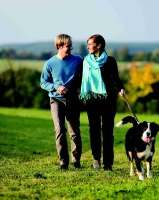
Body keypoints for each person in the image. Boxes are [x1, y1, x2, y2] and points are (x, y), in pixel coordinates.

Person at [80, 34, 125, 171]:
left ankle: (108, 163)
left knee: (107, 131)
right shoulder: (86, 61)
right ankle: (96, 159)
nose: (88, 46)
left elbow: (115, 78)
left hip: (108, 100)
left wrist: (121, 88)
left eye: (90, 44)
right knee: (94, 130)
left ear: (98, 45)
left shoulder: (110, 61)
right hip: (92, 99)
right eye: (87, 44)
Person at [40, 34, 83, 170]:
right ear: (59, 46)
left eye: (71, 45)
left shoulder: (78, 60)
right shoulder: (50, 63)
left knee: (74, 131)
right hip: (56, 100)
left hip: (73, 100)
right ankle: (63, 162)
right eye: (68, 45)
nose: (71, 47)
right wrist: (55, 87)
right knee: (59, 130)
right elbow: (43, 82)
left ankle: (76, 161)